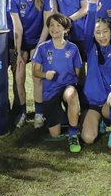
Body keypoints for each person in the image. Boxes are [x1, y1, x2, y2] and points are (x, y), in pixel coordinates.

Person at [8, 0, 54, 128]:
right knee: (19, 77)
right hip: (22, 43)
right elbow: (17, 28)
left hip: (39, 41)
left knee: (37, 77)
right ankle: (22, 113)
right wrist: (19, 53)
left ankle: (39, 114)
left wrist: (39, 49)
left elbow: (47, 25)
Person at [32, 13, 85, 152]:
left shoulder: (73, 48)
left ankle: (73, 134)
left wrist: (74, 82)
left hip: (67, 86)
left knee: (71, 94)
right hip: (50, 91)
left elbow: (78, 70)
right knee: (55, 134)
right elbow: (35, 72)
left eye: (58, 25)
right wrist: (45, 74)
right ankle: (61, 118)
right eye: (51, 25)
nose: (54, 28)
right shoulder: (43, 48)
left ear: (65, 29)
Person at [80, 18, 111, 148]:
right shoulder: (90, 48)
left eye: (105, 31)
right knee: (88, 138)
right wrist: (92, 9)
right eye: (98, 32)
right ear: (93, 34)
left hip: (108, 103)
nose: (102, 36)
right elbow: (87, 29)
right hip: (92, 103)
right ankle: (98, 121)